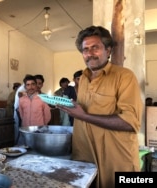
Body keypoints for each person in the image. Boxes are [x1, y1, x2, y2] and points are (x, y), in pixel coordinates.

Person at [57, 26, 143, 188]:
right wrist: (70, 107)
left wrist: (83, 115)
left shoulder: (124, 76)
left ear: (108, 50)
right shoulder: (82, 79)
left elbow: (131, 122)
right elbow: (84, 110)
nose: (89, 53)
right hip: (86, 160)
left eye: (95, 47)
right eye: (85, 49)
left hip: (116, 161)